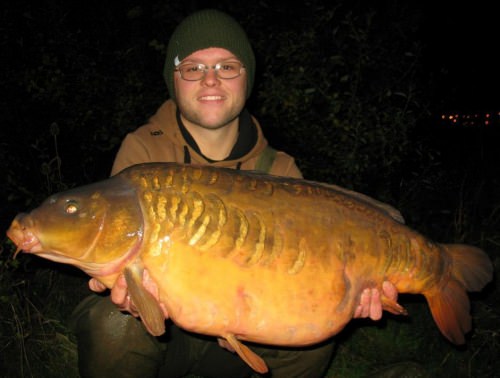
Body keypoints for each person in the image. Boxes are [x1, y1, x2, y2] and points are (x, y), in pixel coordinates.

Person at [70, 9, 399, 378]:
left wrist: (344, 294)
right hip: (165, 338)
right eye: (193, 68)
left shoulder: (281, 171)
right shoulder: (144, 153)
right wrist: (133, 294)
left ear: (248, 79)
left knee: (315, 337)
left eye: (227, 67)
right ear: (174, 79)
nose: (210, 80)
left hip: (250, 332)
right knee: (110, 322)